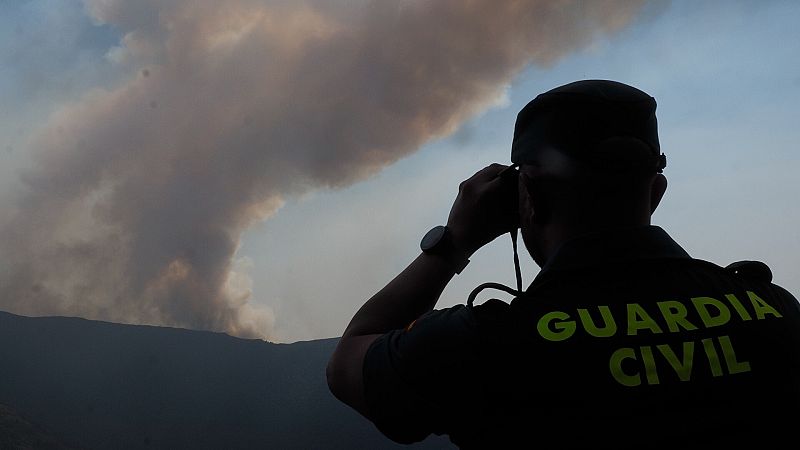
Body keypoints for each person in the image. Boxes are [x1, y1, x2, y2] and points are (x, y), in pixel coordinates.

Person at [326, 80, 800, 449]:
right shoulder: (776, 312)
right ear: (656, 192)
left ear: (525, 196)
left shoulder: (482, 345)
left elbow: (348, 362)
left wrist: (452, 245)